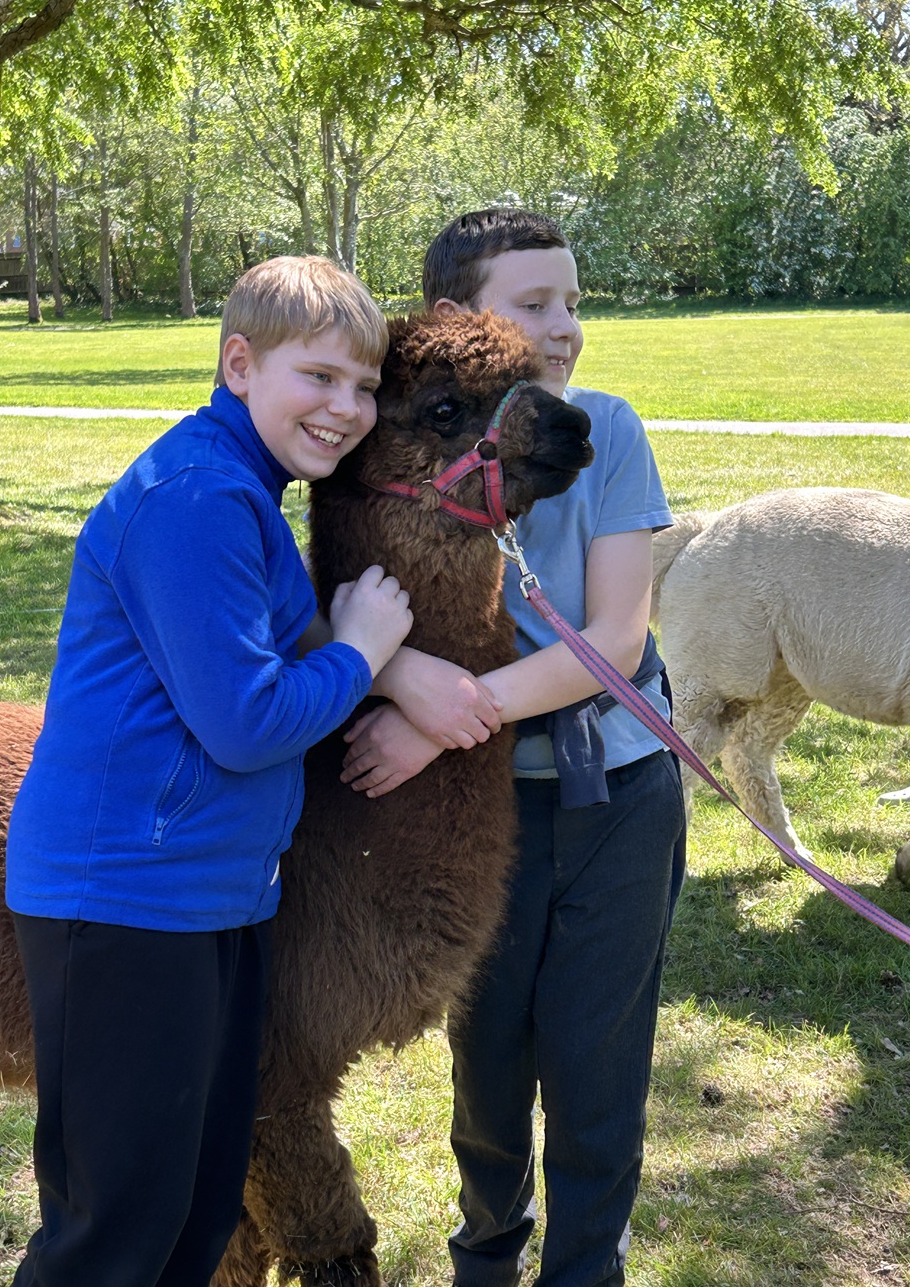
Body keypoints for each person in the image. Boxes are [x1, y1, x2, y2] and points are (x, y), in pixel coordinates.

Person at [5, 255, 416, 1287]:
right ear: (240, 362)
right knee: (113, 1234)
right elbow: (244, 721)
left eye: (364, 387)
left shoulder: (242, 489)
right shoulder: (195, 496)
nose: (347, 408)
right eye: (318, 376)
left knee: (194, 1210)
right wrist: (361, 652)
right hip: (125, 904)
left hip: (208, 900)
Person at [341, 209, 687, 1286]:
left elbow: (615, 642)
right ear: (459, 322)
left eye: (572, 301)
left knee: (596, 1071)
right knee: (487, 1069)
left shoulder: (607, 430)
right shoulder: (393, 439)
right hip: (479, 818)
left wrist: (448, 708)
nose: (565, 325)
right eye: (532, 304)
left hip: (613, 798)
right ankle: (486, 1256)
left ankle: (587, 1269)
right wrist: (396, 677)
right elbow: (328, 593)